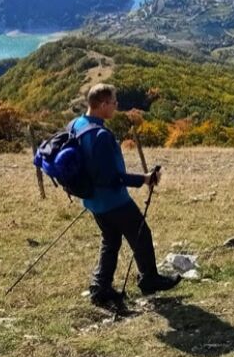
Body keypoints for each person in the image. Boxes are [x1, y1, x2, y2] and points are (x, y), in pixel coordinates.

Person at [73, 83, 180, 309]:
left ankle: (100, 287)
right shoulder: (101, 135)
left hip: (92, 200)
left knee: (110, 239)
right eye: (113, 102)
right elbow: (111, 177)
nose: (116, 106)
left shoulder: (77, 124)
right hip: (113, 200)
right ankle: (148, 278)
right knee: (141, 234)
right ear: (102, 104)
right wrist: (144, 179)